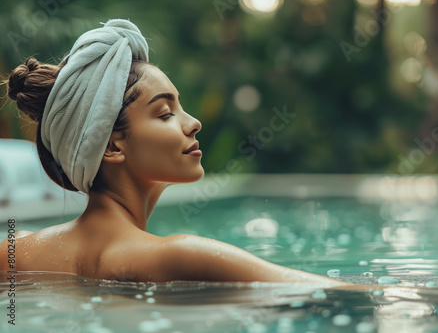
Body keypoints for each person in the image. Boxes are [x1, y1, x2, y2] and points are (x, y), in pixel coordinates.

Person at [0, 19, 349, 287]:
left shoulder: (15, 253)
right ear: (111, 145)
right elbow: (344, 296)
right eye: (165, 113)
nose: (194, 122)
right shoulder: (184, 256)